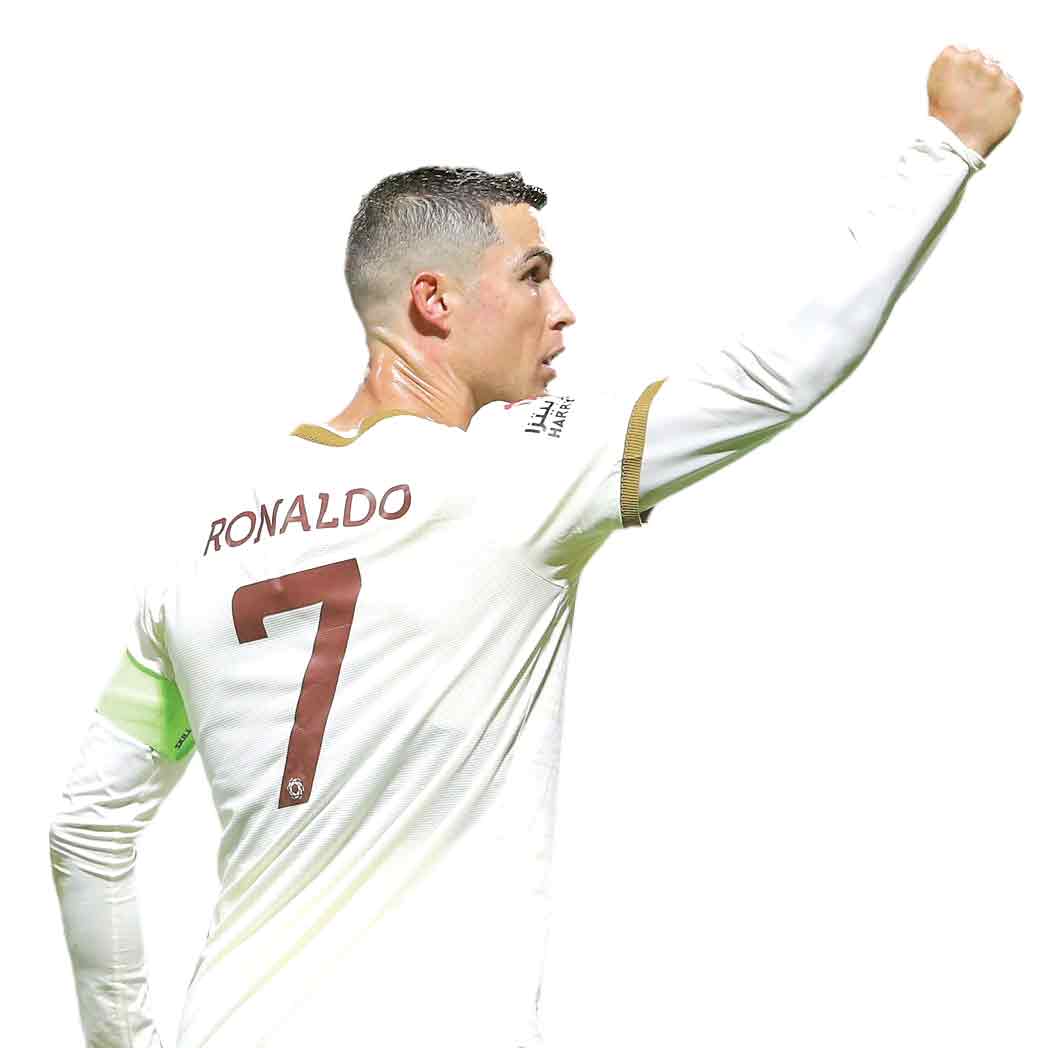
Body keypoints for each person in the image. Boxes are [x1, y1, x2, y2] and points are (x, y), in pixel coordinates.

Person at [49, 44, 1022, 1048]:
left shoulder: (204, 544)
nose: (562, 311)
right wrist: (947, 146)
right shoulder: (510, 473)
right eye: (533, 276)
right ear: (434, 301)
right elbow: (776, 372)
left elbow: (86, 829)